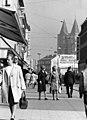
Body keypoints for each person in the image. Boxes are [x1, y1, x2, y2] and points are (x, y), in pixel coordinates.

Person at [1, 53, 26, 120]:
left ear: (12, 60)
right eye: (7, 59)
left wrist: (23, 87)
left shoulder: (17, 68)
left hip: (15, 87)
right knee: (9, 101)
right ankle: (12, 113)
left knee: (15, 101)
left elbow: (21, 77)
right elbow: (2, 78)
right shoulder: (4, 69)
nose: (7, 61)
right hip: (7, 87)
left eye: (9, 59)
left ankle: (12, 115)